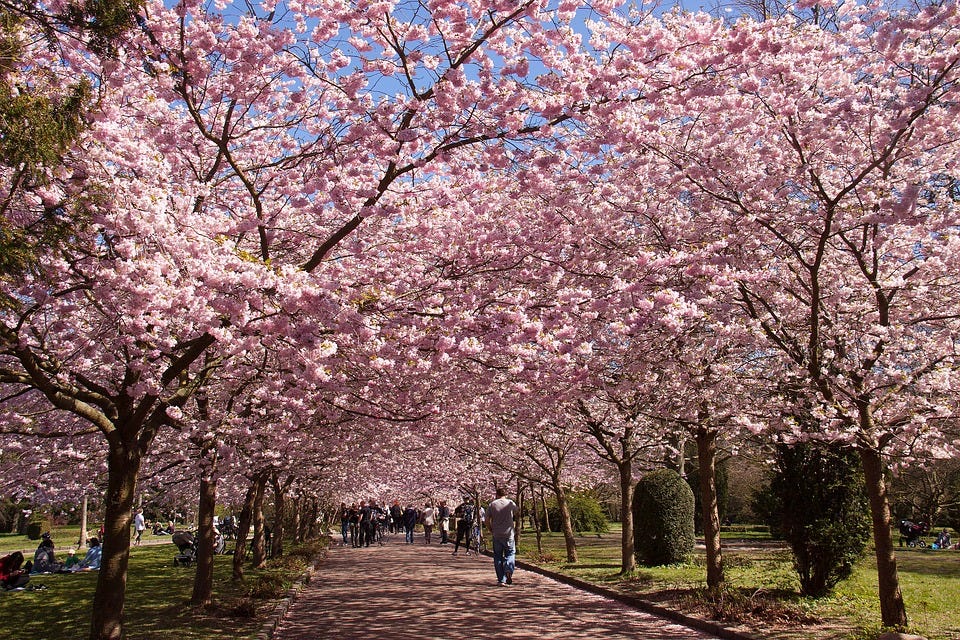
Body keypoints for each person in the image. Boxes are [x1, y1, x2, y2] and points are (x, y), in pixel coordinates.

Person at [485, 487, 519, 586]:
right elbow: (517, 511)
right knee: (510, 553)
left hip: (497, 533)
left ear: (496, 494)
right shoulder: (510, 503)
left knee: (498, 556)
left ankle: (501, 579)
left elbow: (486, 519)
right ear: (506, 494)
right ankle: (508, 569)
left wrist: (490, 528)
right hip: (509, 534)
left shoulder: (492, 504)